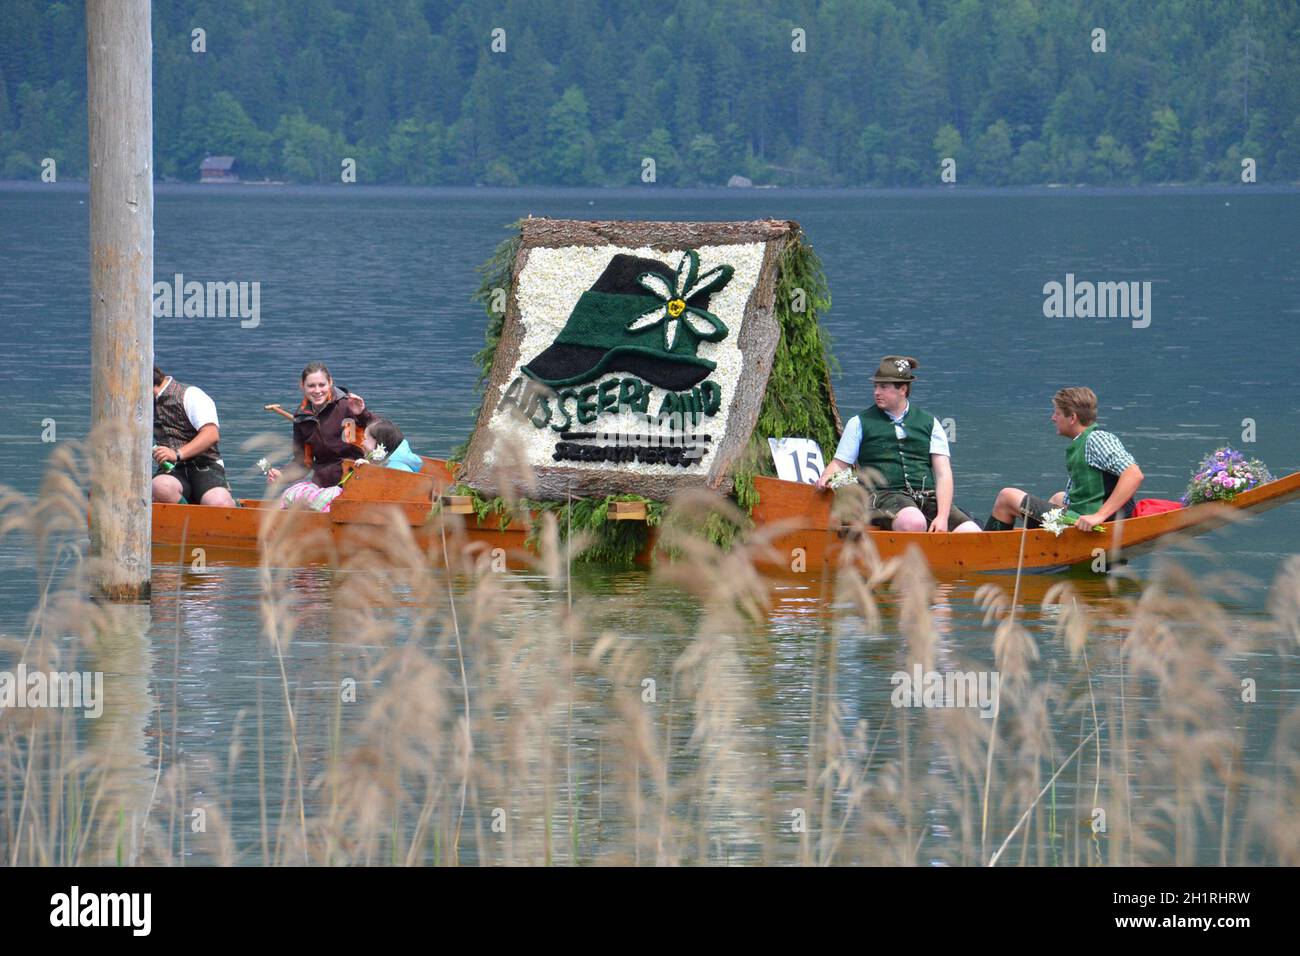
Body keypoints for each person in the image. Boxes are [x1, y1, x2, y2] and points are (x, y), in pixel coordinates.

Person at [815, 356, 980, 533]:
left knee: (972, 532)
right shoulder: (858, 423)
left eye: (883, 387)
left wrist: (942, 517)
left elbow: (943, 474)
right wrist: (826, 477)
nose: (876, 392)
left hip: (927, 498)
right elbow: (840, 464)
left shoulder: (931, 423)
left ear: (902, 389)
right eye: (876, 386)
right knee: (914, 522)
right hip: (882, 497)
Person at [985, 386, 1143, 531]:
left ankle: (986, 552)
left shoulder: (1097, 439)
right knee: (1059, 497)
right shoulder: (1084, 440)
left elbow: (1134, 474)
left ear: (1072, 418)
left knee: (1006, 497)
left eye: (1057, 413)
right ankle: (1040, 542)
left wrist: (1099, 516)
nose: (1053, 418)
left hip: (1090, 525)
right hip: (1084, 518)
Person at [151, 365, 237, 507]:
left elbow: (211, 434)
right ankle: (188, 518)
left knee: (219, 502)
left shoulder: (190, 395)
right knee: (160, 486)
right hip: (172, 470)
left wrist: (177, 454)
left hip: (205, 466)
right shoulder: (144, 403)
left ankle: (234, 508)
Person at [354, 418, 423, 473]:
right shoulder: (389, 462)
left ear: (379, 442)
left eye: (365, 439)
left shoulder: (397, 470)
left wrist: (370, 472)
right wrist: (369, 467)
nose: (362, 443)